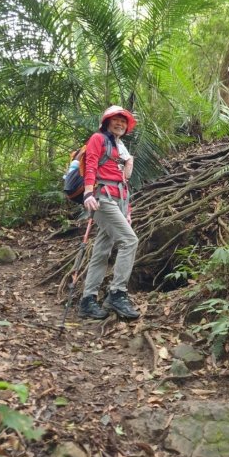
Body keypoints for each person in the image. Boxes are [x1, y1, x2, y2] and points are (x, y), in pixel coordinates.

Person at [78, 105, 140, 320]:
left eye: (124, 121)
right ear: (106, 122)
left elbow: (123, 180)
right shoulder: (98, 138)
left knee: (102, 251)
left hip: (120, 199)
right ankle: (117, 293)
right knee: (130, 241)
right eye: (116, 120)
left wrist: (128, 210)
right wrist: (88, 193)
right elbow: (91, 163)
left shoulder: (120, 146)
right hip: (102, 198)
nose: (120, 123)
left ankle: (88, 300)